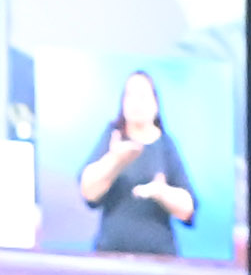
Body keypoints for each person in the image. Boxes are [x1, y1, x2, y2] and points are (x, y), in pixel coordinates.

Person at [78, 68, 197, 256]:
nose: (136, 103)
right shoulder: (113, 137)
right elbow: (88, 192)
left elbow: (187, 209)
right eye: (130, 95)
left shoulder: (165, 144)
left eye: (142, 96)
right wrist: (116, 160)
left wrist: (161, 192)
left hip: (159, 259)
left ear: (155, 104)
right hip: (110, 255)